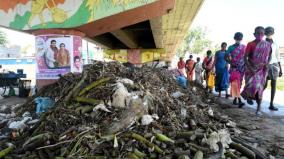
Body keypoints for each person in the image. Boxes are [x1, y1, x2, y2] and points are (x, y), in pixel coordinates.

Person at [241, 26, 271, 115]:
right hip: (251, 70)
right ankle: (248, 96)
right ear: (254, 34)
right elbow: (245, 58)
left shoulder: (267, 44)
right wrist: (250, 68)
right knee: (252, 86)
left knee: (260, 89)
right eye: (258, 33)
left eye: (262, 33)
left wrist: (267, 64)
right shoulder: (250, 44)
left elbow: (269, 57)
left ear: (264, 34)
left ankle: (258, 108)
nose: (260, 35)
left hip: (261, 70)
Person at [264, 27, 282, 111]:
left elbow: (278, 57)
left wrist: (281, 69)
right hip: (265, 65)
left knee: (274, 84)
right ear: (265, 33)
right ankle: (256, 97)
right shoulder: (262, 43)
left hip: (274, 65)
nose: (269, 32)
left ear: (273, 33)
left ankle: (271, 103)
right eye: (267, 31)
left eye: (271, 31)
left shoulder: (275, 44)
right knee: (264, 84)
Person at [225, 32, 246, 107]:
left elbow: (246, 57)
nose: (238, 40)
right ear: (234, 38)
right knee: (235, 83)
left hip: (242, 68)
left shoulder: (244, 47)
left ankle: (235, 99)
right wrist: (231, 62)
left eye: (240, 39)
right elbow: (225, 57)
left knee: (239, 84)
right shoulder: (231, 47)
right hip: (234, 68)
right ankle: (239, 100)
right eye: (237, 39)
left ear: (241, 39)